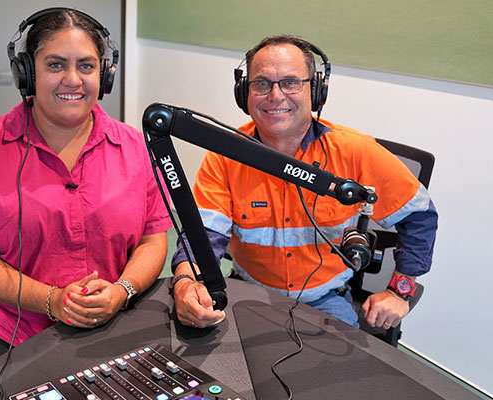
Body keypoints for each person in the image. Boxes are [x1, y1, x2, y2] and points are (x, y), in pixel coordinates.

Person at [0, 8, 171, 393]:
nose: (73, 80)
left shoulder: (134, 147)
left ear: (105, 74)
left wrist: (122, 290)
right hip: (1, 323)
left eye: (87, 66)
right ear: (26, 73)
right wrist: (51, 300)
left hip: (110, 317)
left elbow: (152, 239)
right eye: (56, 64)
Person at [170, 35, 437, 330]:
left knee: (338, 374)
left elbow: (419, 215)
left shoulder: (355, 152)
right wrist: (185, 280)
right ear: (243, 92)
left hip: (325, 299)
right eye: (261, 83)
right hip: (249, 291)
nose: (275, 95)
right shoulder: (225, 154)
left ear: (317, 91)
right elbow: (203, 234)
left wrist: (400, 290)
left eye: (290, 82)